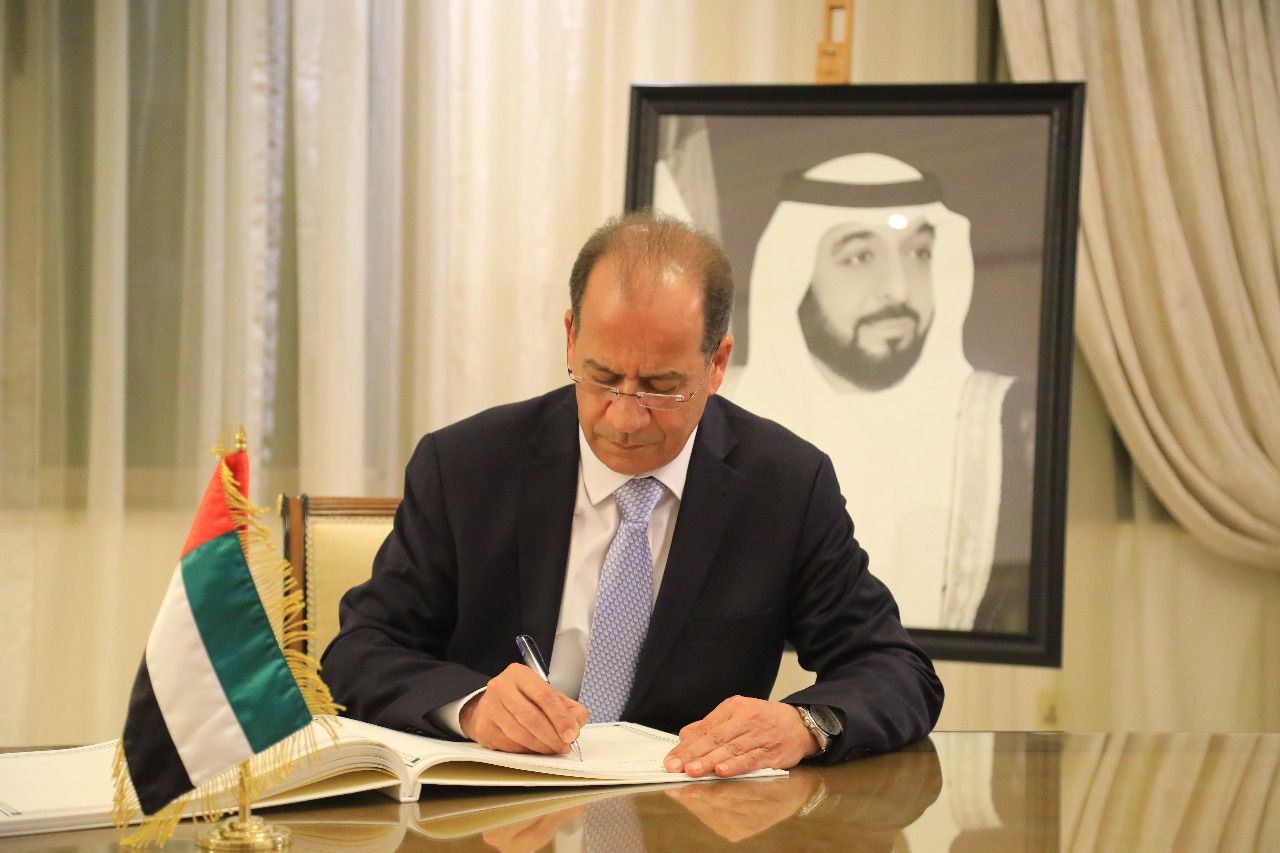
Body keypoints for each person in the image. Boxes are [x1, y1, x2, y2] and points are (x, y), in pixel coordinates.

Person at [321, 211, 943, 777]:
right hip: (498, 815)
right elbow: (360, 651)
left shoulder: (783, 485)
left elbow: (895, 669)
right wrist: (473, 706)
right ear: (571, 337)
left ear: (717, 363)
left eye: (661, 387)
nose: (624, 417)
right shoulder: (467, 467)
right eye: (601, 377)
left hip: (689, 818)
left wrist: (806, 724)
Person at [730, 153, 1032, 632]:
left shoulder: (1004, 421)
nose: (897, 289)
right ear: (795, 274)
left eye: (919, 253)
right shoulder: (722, 416)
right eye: (859, 257)